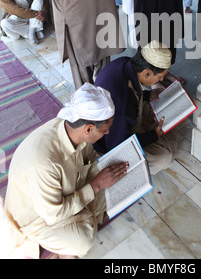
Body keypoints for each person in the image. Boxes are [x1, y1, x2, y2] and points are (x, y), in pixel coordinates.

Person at [4, 83, 129, 259]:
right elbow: (53, 214)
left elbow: (88, 159)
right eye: (105, 129)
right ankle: (79, 222)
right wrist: (96, 186)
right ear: (88, 129)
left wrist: (100, 175)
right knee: (82, 241)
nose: (108, 132)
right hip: (39, 216)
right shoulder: (44, 163)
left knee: (114, 181)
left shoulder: (74, 131)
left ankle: (85, 214)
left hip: (68, 188)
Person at [94, 41, 174, 176]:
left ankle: (148, 129)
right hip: (110, 145)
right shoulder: (124, 100)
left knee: (151, 106)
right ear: (147, 73)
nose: (159, 80)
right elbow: (119, 145)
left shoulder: (125, 62)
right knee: (165, 157)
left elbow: (135, 93)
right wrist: (153, 135)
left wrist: (148, 95)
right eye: (159, 77)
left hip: (123, 119)